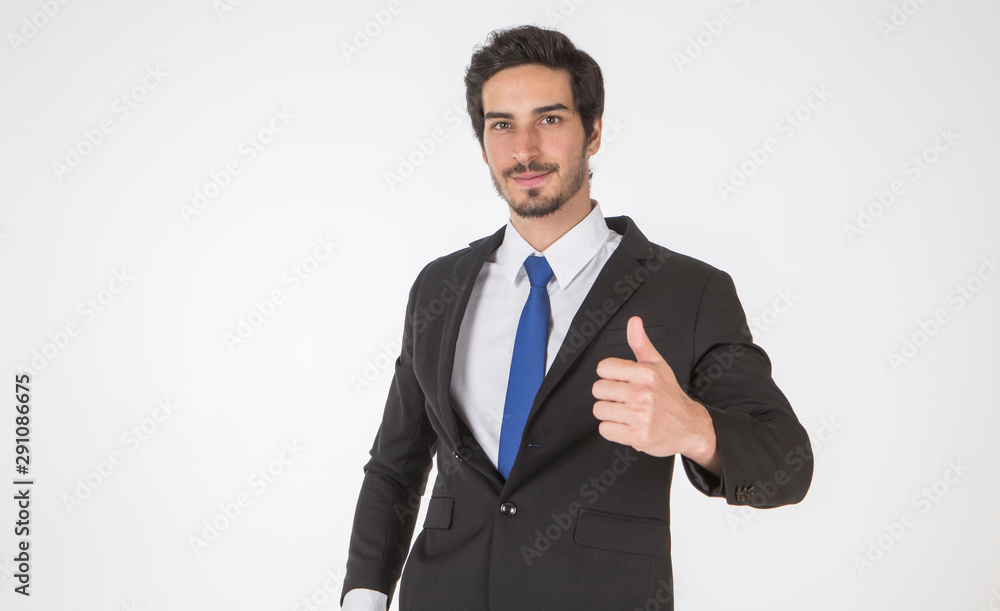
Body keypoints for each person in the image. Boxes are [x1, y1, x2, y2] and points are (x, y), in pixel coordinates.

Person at [341, 25, 812, 611]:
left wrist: (692, 428)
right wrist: (364, 597)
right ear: (482, 140)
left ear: (592, 134)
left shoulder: (687, 291)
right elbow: (395, 466)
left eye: (551, 119)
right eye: (502, 124)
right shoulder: (440, 285)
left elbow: (787, 465)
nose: (525, 150)